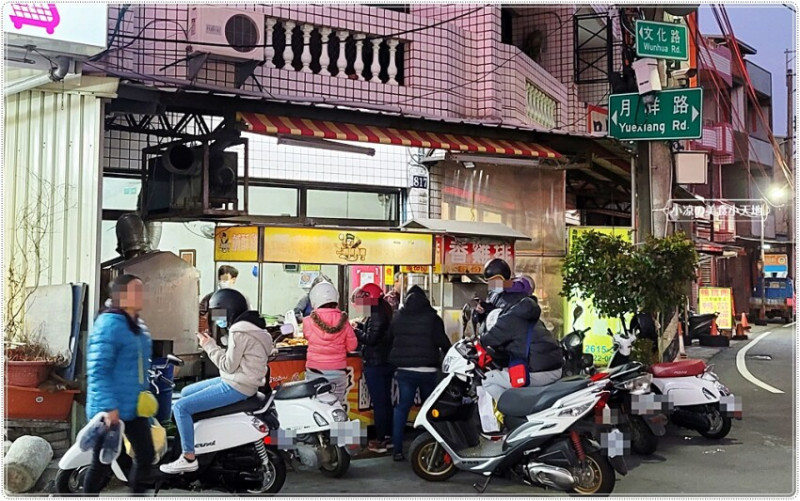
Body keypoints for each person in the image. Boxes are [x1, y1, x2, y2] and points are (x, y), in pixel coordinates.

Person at [160, 288, 273, 474]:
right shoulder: (255, 328)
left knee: (180, 407)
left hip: (237, 385)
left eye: (219, 313)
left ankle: (188, 457)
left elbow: (227, 365)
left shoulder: (239, 331)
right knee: (186, 392)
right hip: (242, 381)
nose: (217, 319)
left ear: (229, 310)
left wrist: (209, 345)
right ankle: (196, 440)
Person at [84, 274, 155, 494]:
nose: (141, 296)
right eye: (136, 291)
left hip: (134, 407)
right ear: (121, 296)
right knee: (102, 464)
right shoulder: (109, 324)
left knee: (145, 456)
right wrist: (109, 407)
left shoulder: (137, 324)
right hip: (110, 409)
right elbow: (97, 370)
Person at [388, 285, 451, 461]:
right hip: (428, 370)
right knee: (430, 410)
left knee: (401, 409)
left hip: (404, 371)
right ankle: (431, 447)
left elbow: (389, 339)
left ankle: (397, 450)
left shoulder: (398, 317)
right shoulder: (433, 318)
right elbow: (443, 342)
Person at [479, 275, 564, 401]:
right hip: (554, 367)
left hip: (540, 371)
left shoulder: (509, 319)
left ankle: (511, 412)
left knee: (488, 379)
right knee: (506, 373)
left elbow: (489, 339)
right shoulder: (527, 314)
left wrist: (476, 340)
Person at [351, 283, 395, 454]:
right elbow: (376, 334)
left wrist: (355, 332)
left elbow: (371, 339)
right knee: (385, 402)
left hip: (376, 364)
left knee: (380, 403)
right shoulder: (381, 311)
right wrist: (361, 328)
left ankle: (381, 440)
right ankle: (389, 437)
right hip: (385, 362)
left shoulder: (376, 312)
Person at [303, 281, 358, 407]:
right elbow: (352, 346)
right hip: (338, 372)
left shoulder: (308, 321)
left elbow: (307, 336)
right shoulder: (344, 321)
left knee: (315, 408)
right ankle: (339, 427)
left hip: (315, 372)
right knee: (337, 407)